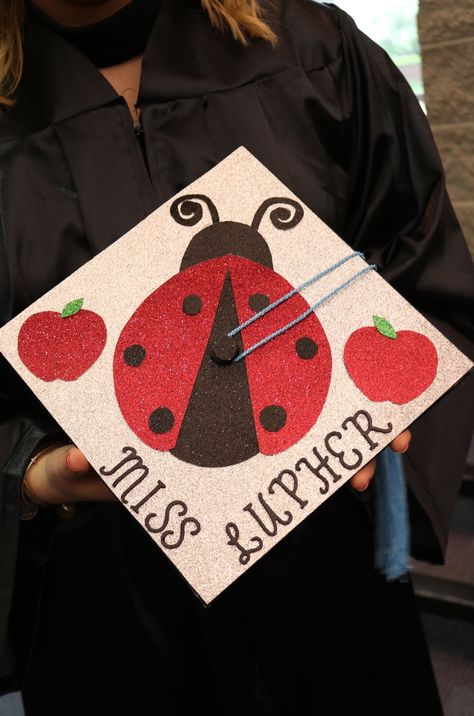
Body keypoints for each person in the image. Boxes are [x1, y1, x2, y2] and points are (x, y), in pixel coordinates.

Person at [0, 0, 473, 714]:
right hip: (102, 608)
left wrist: (391, 402)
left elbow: (425, 272)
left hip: (328, 577)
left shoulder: (315, 51)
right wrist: (25, 476)